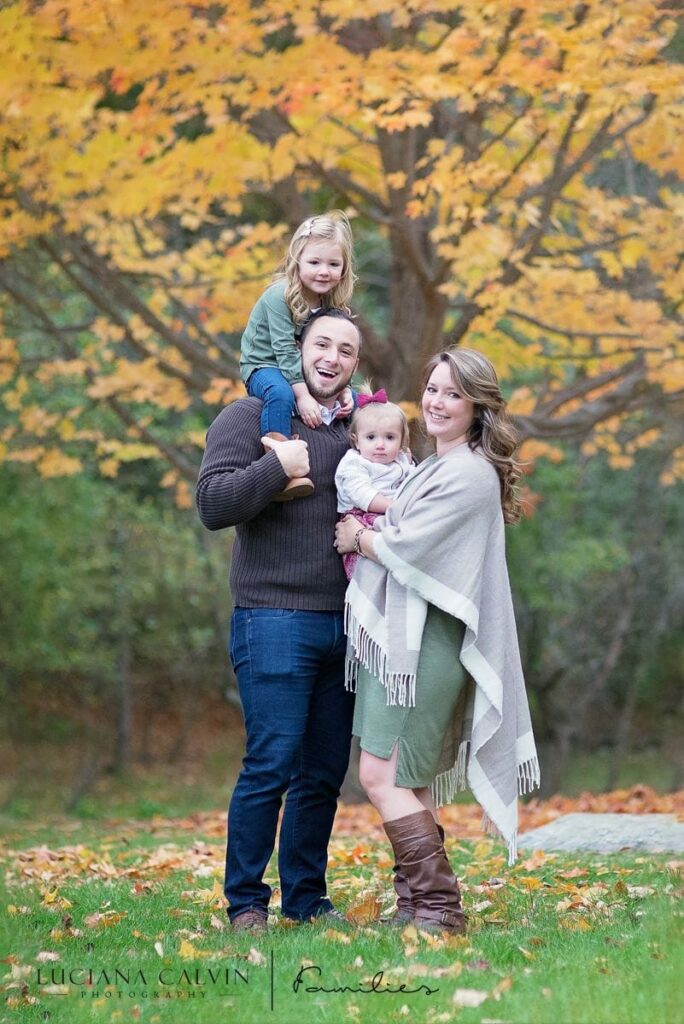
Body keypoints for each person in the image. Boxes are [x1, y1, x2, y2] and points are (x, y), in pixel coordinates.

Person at [334, 348, 539, 934]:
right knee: (407, 777)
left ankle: (441, 910)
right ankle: (419, 908)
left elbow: (407, 546)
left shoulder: (468, 474)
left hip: (424, 646)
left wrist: (359, 537)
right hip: (410, 641)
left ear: (477, 406)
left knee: (379, 775)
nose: (436, 401)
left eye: (452, 392)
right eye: (432, 388)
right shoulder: (437, 464)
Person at [197, 308, 361, 932]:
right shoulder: (249, 416)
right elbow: (213, 505)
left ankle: (306, 900)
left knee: (322, 771)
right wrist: (278, 466)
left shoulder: (355, 430)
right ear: (299, 348)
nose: (333, 358)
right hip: (272, 616)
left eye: (346, 350)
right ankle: (245, 903)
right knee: (271, 761)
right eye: (322, 344)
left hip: (345, 625)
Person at [240, 211, 356, 499]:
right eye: (314, 262)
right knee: (281, 394)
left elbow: (334, 354)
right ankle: (278, 462)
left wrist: (345, 391)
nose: (323, 271)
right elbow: (282, 349)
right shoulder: (280, 295)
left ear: (344, 268)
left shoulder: (329, 302)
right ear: (297, 261)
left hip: (296, 365)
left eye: (333, 264)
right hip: (264, 364)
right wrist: (303, 396)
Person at [334, 388, 413, 580]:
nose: (380, 444)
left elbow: (415, 483)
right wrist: (395, 507)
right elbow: (362, 494)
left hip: (392, 517)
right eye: (371, 437)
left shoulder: (401, 462)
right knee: (370, 571)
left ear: (402, 441)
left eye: (390, 437)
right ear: (357, 441)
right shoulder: (354, 463)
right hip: (361, 517)